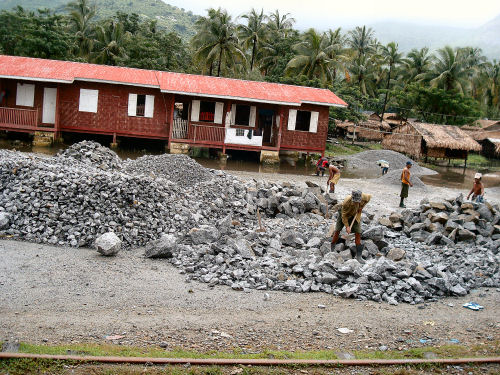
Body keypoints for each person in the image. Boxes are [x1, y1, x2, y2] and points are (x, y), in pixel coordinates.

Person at [330, 190, 371, 263]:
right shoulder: (347, 202)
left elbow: (369, 197)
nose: (356, 203)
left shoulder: (364, 197)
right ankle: (332, 250)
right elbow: (344, 216)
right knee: (337, 230)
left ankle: (359, 257)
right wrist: (347, 227)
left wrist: (361, 207)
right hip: (344, 214)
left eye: (358, 201)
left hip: (355, 215)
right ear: (352, 198)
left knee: (358, 232)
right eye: (355, 201)